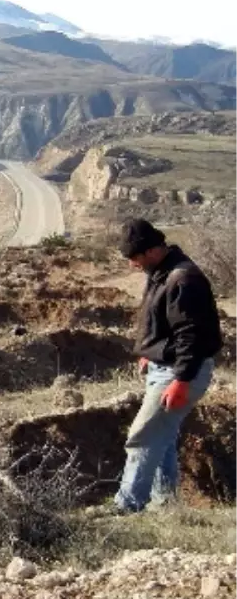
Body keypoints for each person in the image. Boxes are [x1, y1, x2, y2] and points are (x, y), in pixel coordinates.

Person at [110, 218, 223, 513]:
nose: (132, 264)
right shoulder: (162, 272)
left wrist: (182, 380)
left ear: (149, 251)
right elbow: (166, 323)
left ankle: (128, 505)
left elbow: (191, 335)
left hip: (180, 372)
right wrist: (153, 351)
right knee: (163, 437)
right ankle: (166, 503)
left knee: (144, 435)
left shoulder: (182, 278)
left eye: (134, 257)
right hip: (166, 366)